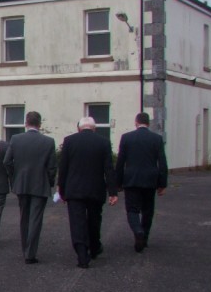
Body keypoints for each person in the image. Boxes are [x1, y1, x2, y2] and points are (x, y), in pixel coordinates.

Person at [57, 117, 118, 268]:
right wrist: (113, 192)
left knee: (77, 222)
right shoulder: (103, 142)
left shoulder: (69, 141)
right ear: (94, 128)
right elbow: (108, 169)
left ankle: (82, 254)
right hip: (95, 189)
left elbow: (63, 167)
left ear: (79, 128)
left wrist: (61, 189)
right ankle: (95, 247)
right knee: (94, 220)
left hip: (74, 189)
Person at [3, 111, 57, 264]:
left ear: (26, 123)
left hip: (22, 183)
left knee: (24, 217)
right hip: (40, 184)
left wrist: (14, 178)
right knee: (36, 219)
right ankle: (30, 253)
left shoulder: (15, 139)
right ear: (40, 124)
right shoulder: (48, 141)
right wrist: (50, 182)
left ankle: (25, 248)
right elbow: (52, 167)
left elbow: (7, 162)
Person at [115, 112, 168, 252]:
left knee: (132, 209)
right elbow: (162, 162)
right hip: (150, 180)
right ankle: (144, 237)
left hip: (131, 179)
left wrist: (117, 182)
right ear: (148, 123)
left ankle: (137, 230)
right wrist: (162, 183)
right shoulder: (156, 139)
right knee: (148, 210)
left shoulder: (126, 138)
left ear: (136, 122)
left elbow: (120, 162)